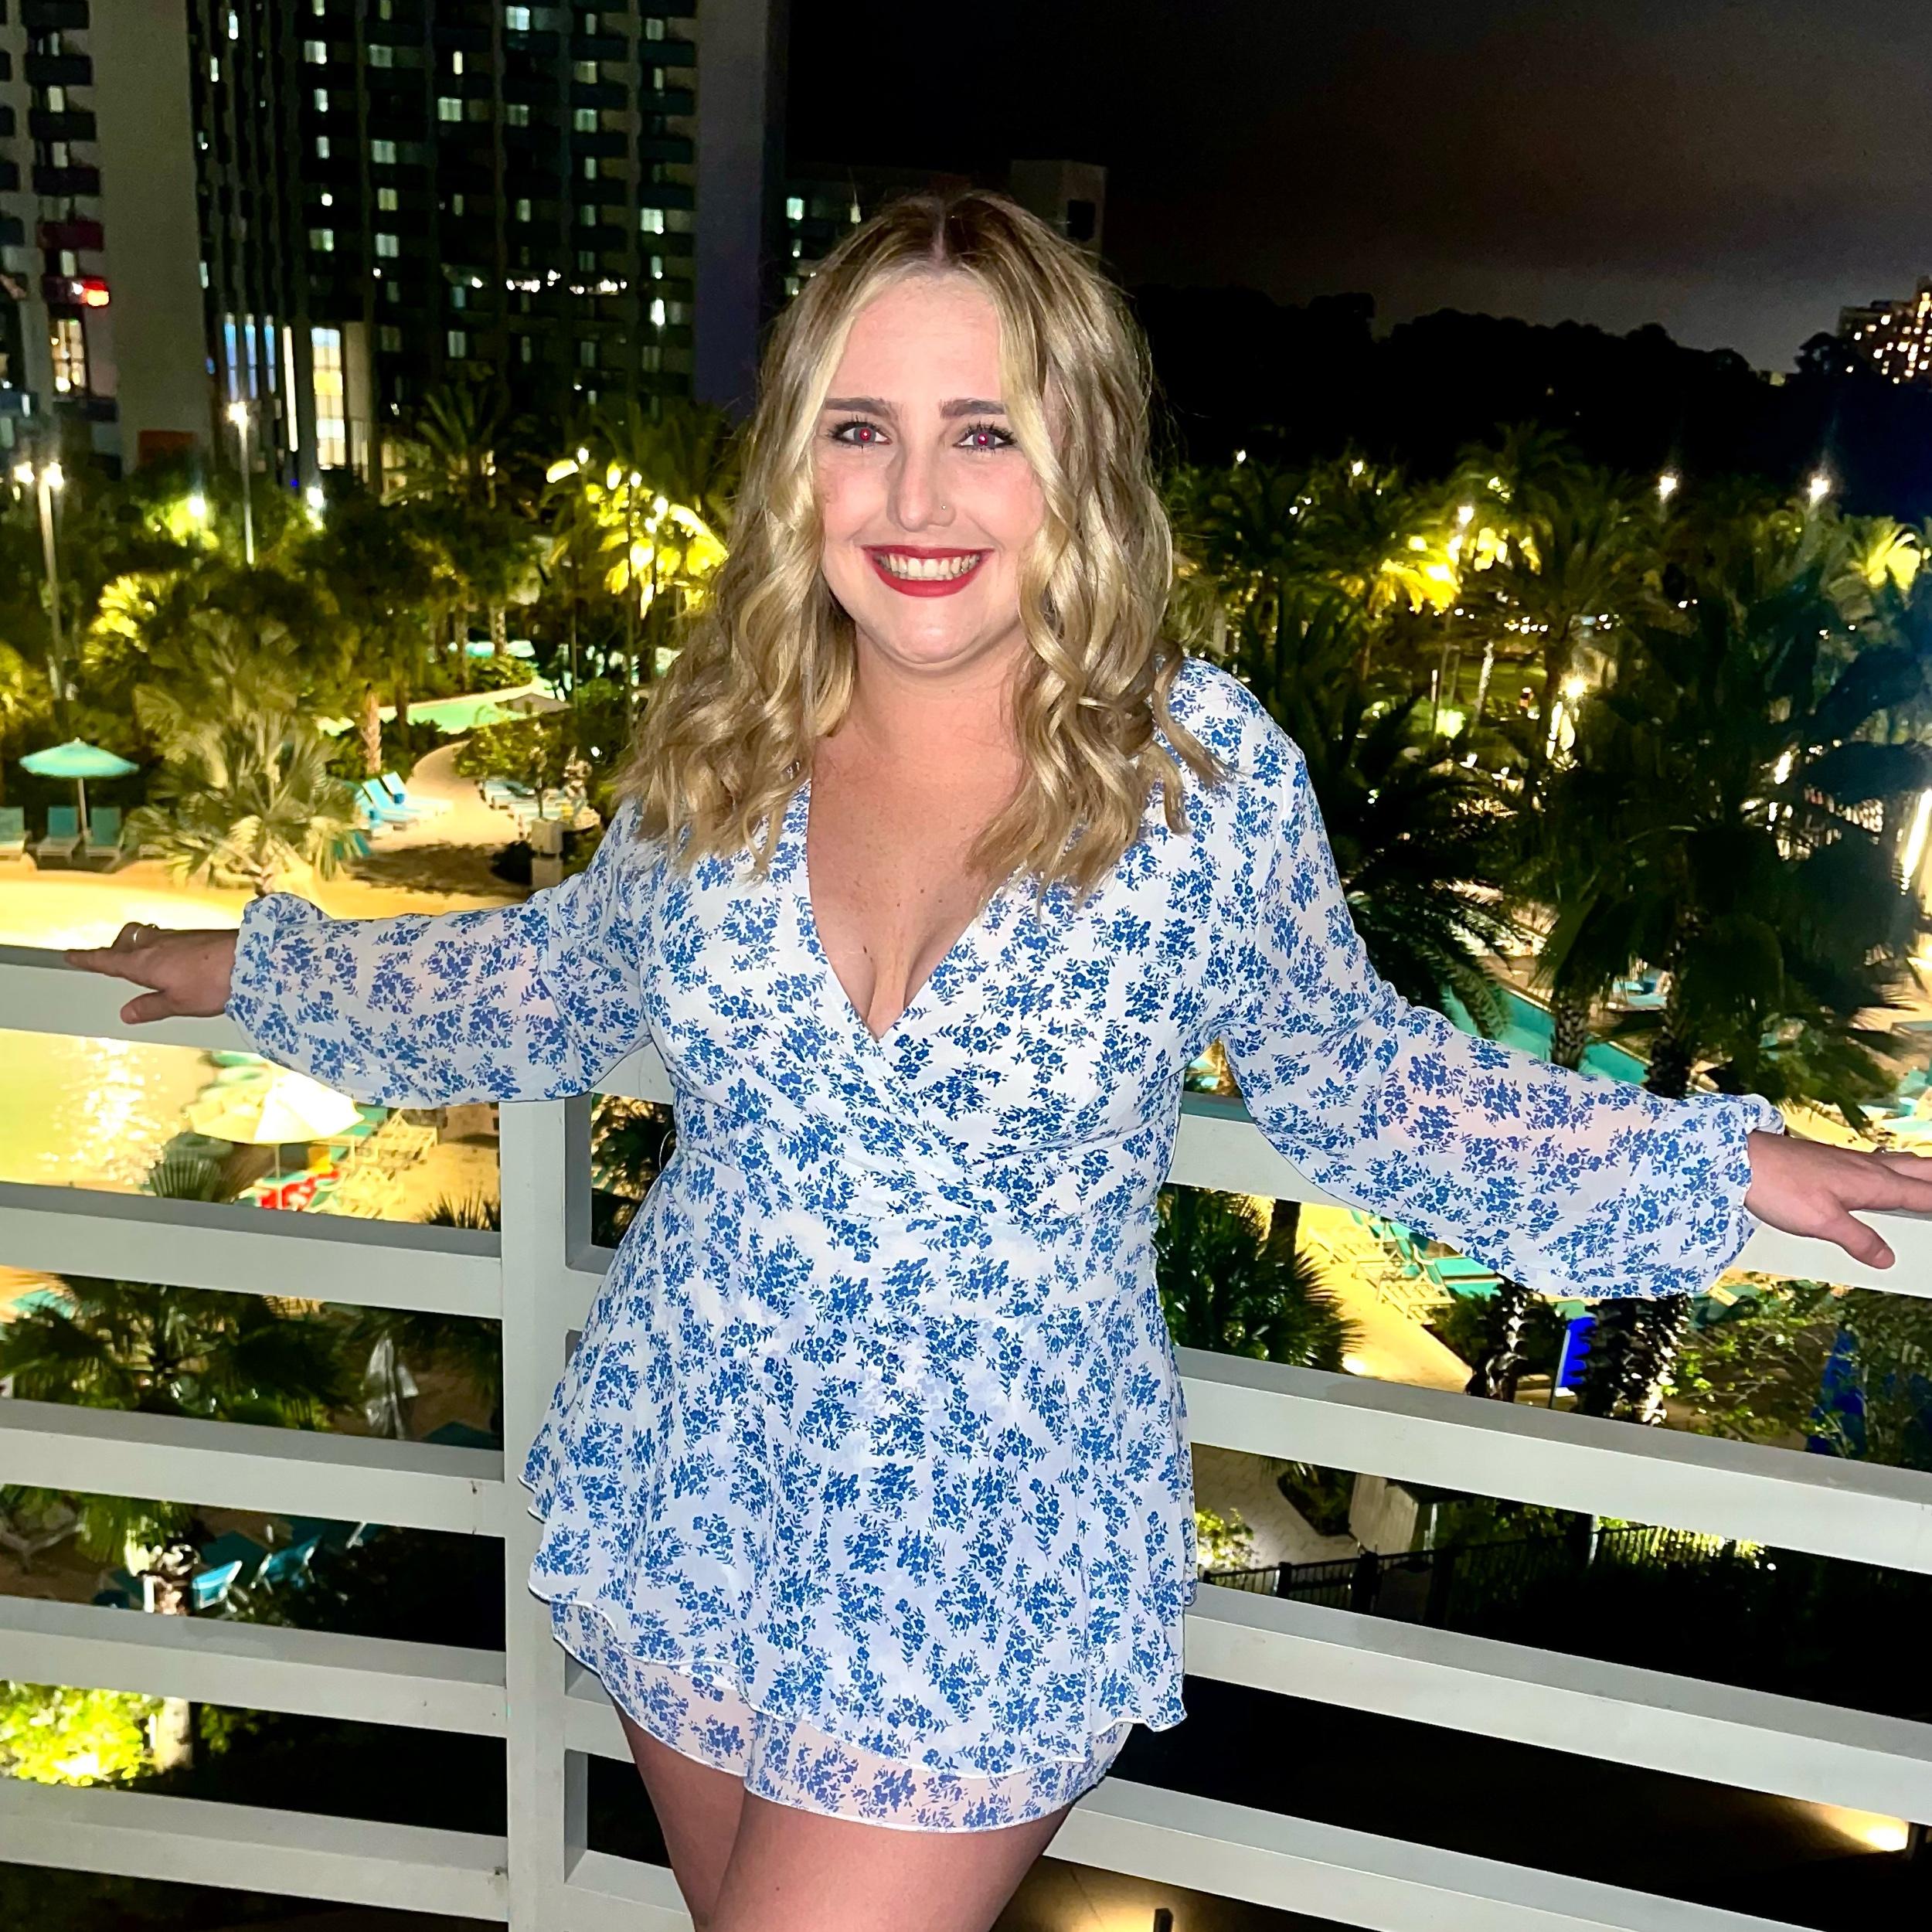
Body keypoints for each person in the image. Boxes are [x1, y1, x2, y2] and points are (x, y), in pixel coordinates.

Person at [70, 192, 1932, 1931]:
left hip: (986, 1532)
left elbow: (1354, 1077)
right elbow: (553, 978)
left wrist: (1715, 1164)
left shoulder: (1197, 775)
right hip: (695, 1467)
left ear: (1079, 461)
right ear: (795, 465)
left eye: (984, 429)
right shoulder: (724, 738)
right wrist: (261, 961)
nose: (915, 494)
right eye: (859, 427)